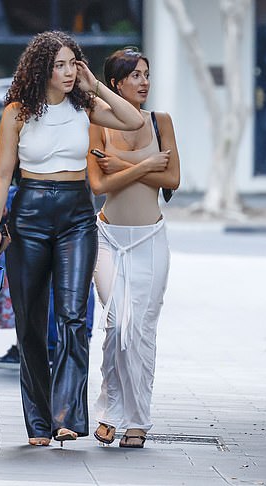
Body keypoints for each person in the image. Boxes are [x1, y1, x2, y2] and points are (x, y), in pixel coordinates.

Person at [0, 31, 143, 447]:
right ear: (41, 69)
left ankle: (66, 415)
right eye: (60, 65)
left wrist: (97, 87)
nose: (69, 71)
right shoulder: (17, 112)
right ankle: (38, 422)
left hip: (76, 213)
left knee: (73, 317)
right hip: (29, 215)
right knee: (31, 322)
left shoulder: (86, 105)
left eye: (74, 63)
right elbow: (2, 173)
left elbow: (135, 121)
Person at [87, 47, 180, 448]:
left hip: (149, 240)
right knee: (115, 324)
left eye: (147, 74)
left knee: (140, 329)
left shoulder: (161, 122)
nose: (144, 82)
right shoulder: (98, 123)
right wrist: (145, 167)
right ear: (115, 83)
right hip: (108, 239)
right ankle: (110, 411)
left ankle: (137, 419)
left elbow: (173, 179)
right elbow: (98, 185)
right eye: (136, 75)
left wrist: (121, 166)